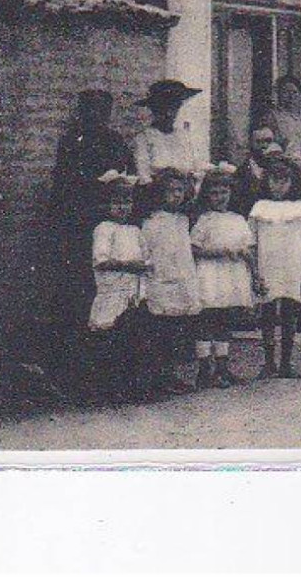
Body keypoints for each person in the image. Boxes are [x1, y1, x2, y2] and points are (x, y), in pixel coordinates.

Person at [46, 90, 133, 383]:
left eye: (102, 112)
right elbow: (64, 186)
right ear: (82, 113)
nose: (97, 117)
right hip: (80, 228)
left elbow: (128, 174)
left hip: (111, 224)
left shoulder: (115, 141)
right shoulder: (72, 142)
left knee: (115, 296)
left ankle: (113, 368)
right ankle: (79, 370)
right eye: (91, 111)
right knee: (82, 295)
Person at [249, 155, 301, 379]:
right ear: (266, 181)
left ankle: (287, 362)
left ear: (293, 182)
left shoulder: (300, 208)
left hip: (292, 267)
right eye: (274, 180)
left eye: (284, 181)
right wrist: (255, 272)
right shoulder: (259, 208)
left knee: (290, 313)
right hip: (267, 266)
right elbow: (252, 242)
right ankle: (269, 362)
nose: (279, 186)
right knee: (267, 313)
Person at [86, 171, 150, 403]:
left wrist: (143, 267)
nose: (123, 208)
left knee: (132, 338)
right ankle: (109, 389)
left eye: (127, 202)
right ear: (106, 204)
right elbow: (101, 261)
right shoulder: (104, 229)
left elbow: (146, 258)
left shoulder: (134, 230)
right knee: (110, 338)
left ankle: (131, 386)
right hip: (113, 290)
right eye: (117, 203)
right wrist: (130, 266)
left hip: (133, 291)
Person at [190, 165, 255, 389]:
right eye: (214, 193)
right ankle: (204, 369)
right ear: (207, 195)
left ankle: (222, 368)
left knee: (224, 320)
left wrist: (249, 261)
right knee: (207, 319)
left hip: (231, 275)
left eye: (224, 192)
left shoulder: (237, 219)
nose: (220, 197)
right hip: (210, 274)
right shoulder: (204, 220)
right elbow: (194, 249)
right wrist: (218, 252)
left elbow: (248, 247)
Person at [139, 167, 202, 396]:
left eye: (180, 190)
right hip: (161, 279)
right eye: (171, 190)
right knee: (160, 330)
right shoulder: (151, 222)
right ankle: (157, 377)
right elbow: (149, 252)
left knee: (176, 330)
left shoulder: (183, 220)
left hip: (181, 279)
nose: (176, 195)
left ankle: (170, 374)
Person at [132, 80, 204, 186]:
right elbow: (143, 176)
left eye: (174, 108)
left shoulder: (183, 136)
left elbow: (195, 167)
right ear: (154, 110)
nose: (169, 114)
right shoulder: (145, 138)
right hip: (158, 193)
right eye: (163, 109)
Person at [231, 120, 301, 216]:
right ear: (250, 144)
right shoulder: (241, 173)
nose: (264, 146)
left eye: (268, 141)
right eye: (258, 142)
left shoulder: (292, 170)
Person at [268, 76, 301, 184]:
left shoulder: (300, 118)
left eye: (294, 92)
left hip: (299, 166)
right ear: (278, 94)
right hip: (282, 167)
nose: (291, 96)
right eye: (286, 92)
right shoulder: (273, 116)